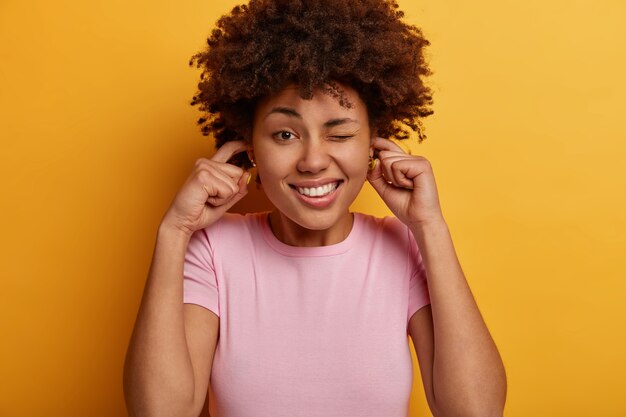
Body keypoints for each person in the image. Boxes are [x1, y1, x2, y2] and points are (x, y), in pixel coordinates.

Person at [123, 0, 507, 416]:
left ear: (373, 145)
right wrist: (174, 231)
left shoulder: (403, 246)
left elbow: (476, 411)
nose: (312, 161)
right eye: (285, 134)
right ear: (250, 148)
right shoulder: (214, 249)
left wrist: (429, 226)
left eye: (339, 134)